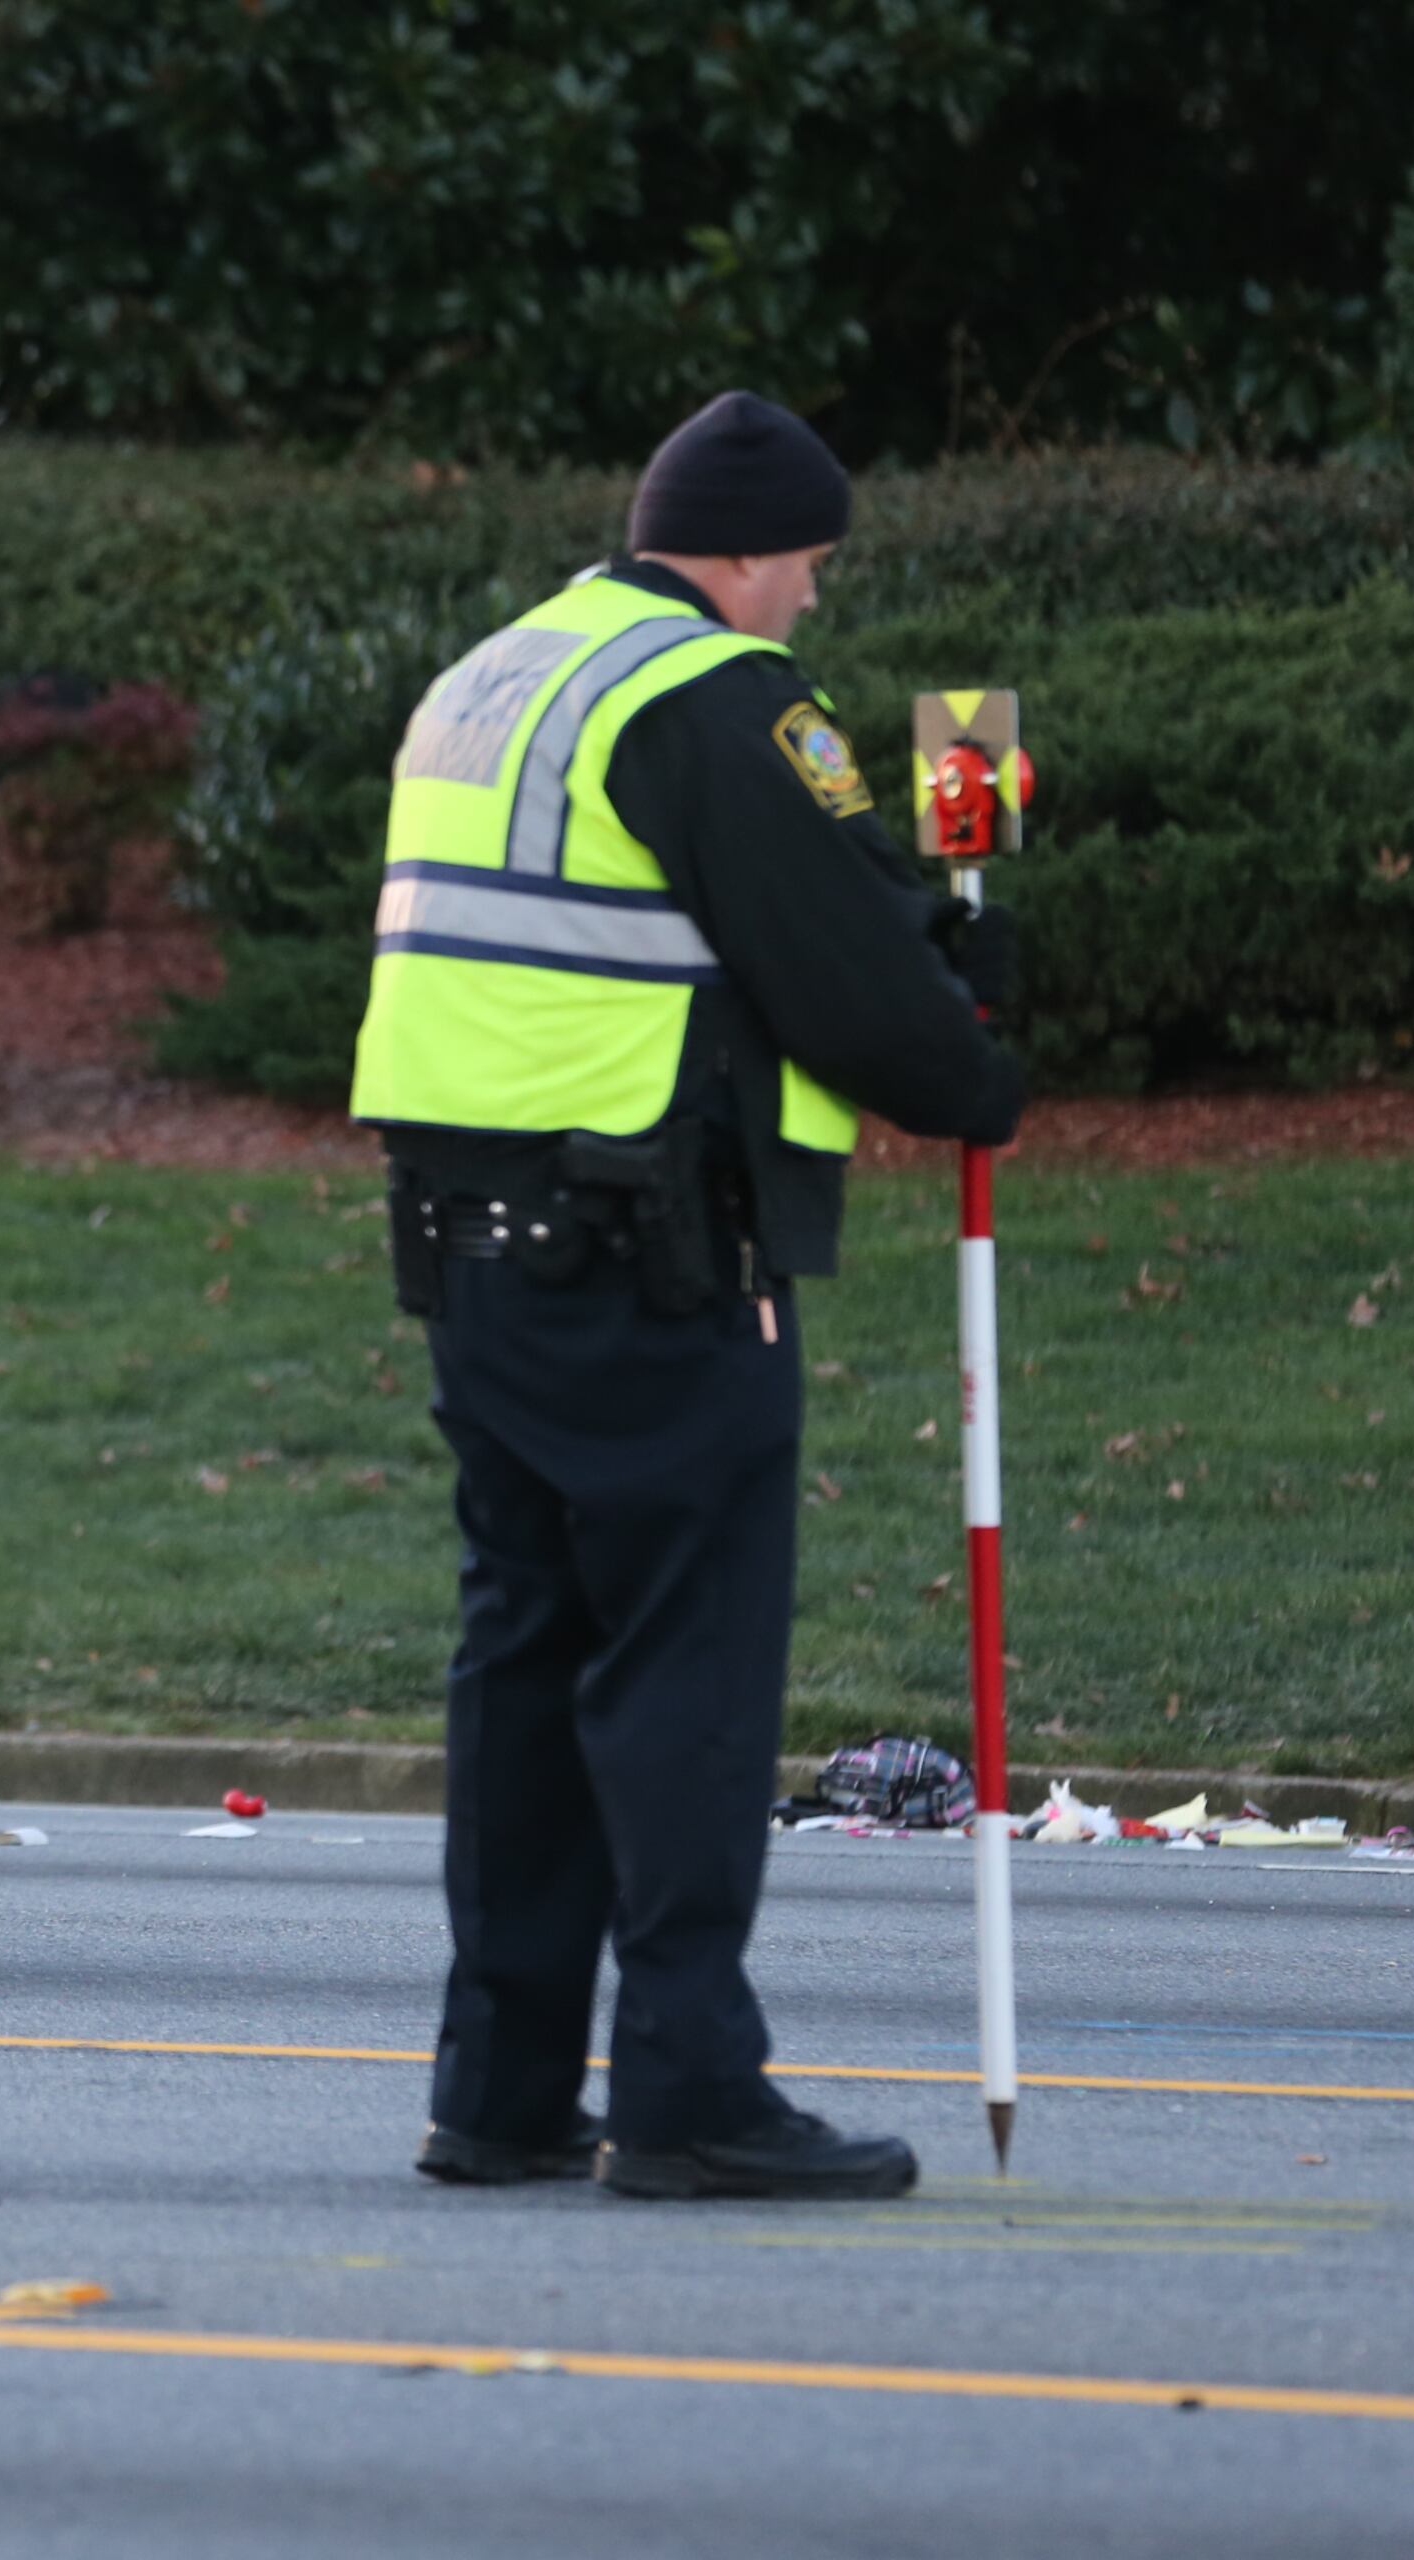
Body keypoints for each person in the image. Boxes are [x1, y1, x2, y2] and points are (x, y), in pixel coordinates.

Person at [348, 390, 1025, 2201]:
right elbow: (842, 972)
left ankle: (496, 2091)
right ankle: (688, 2092)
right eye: (805, 563)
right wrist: (974, 1061)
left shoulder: (495, 675)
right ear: (737, 549)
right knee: (686, 1674)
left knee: (525, 1661)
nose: (809, 597)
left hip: (475, 1253)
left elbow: (685, 918)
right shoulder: (716, 696)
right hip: (652, 1256)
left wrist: (899, 941)